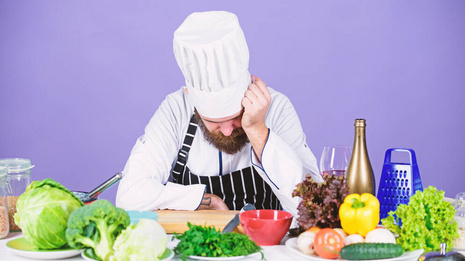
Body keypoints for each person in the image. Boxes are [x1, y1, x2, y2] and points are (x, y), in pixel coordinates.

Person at [116, 11, 320, 216]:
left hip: (269, 247)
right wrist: (202, 200)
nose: (227, 130)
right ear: (191, 99)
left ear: (250, 88)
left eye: (237, 116)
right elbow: (129, 196)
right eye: (213, 120)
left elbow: (312, 207)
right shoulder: (176, 109)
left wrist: (257, 130)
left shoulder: (276, 108)